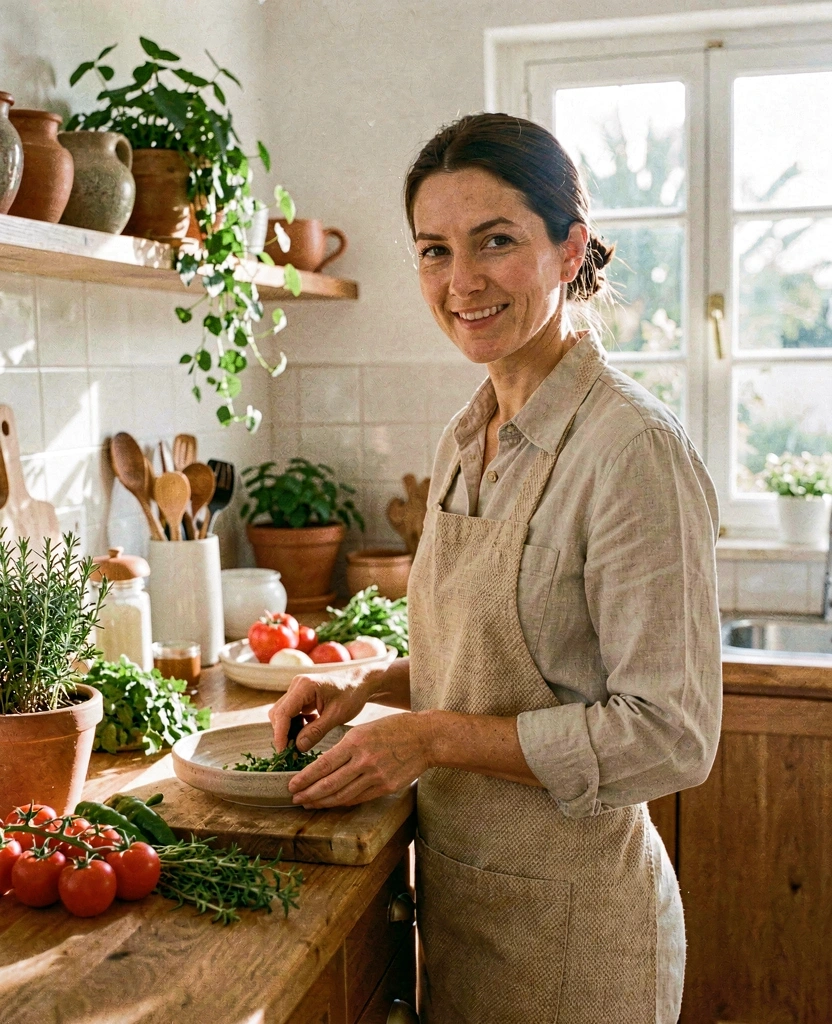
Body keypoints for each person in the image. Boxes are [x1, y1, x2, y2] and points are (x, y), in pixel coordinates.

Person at [269, 112, 722, 1024]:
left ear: (570, 250)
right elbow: (519, 667)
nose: (461, 280)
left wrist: (429, 739)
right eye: (434, 250)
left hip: (583, 936)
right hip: (469, 912)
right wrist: (377, 689)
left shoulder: (630, 448)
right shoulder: (467, 434)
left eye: (496, 241)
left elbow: (673, 734)